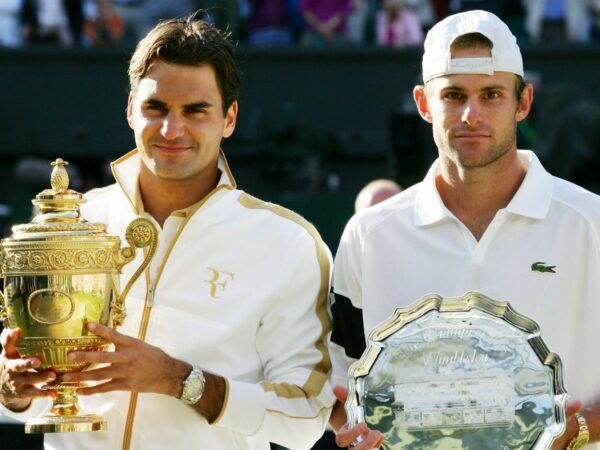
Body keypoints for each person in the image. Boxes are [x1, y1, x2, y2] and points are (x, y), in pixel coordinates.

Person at [0, 12, 335, 450]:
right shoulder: (72, 222)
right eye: (155, 108)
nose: (171, 130)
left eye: (195, 111)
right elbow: (19, 397)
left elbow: (306, 416)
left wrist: (181, 380)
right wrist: (12, 389)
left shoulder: (288, 243)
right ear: (130, 111)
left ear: (229, 118)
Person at [328, 9, 600, 450]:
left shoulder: (592, 223)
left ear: (524, 102)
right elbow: (340, 383)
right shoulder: (369, 234)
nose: (471, 114)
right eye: (453, 95)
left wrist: (580, 427)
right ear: (422, 103)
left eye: (492, 94)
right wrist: (355, 428)